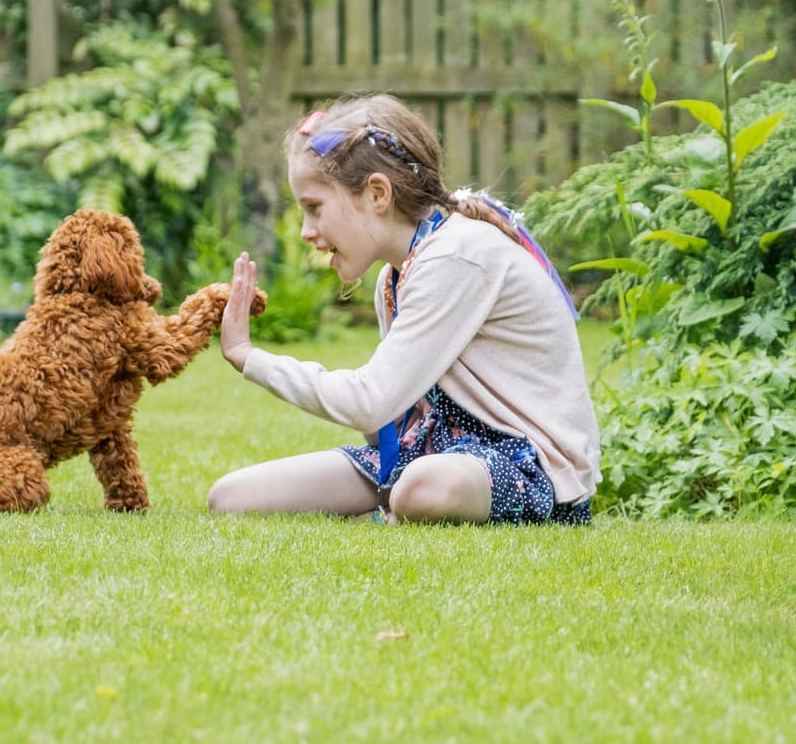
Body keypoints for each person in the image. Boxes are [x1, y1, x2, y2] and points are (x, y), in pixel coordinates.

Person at [209, 94, 601, 524]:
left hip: (528, 469)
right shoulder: (394, 278)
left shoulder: (456, 256)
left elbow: (368, 402)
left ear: (377, 193)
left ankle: (395, 509)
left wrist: (250, 357)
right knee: (230, 497)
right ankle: (394, 507)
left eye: (314, 208)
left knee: (421, 488)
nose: (306, 231)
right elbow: (386, 421)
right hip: (433, 450)